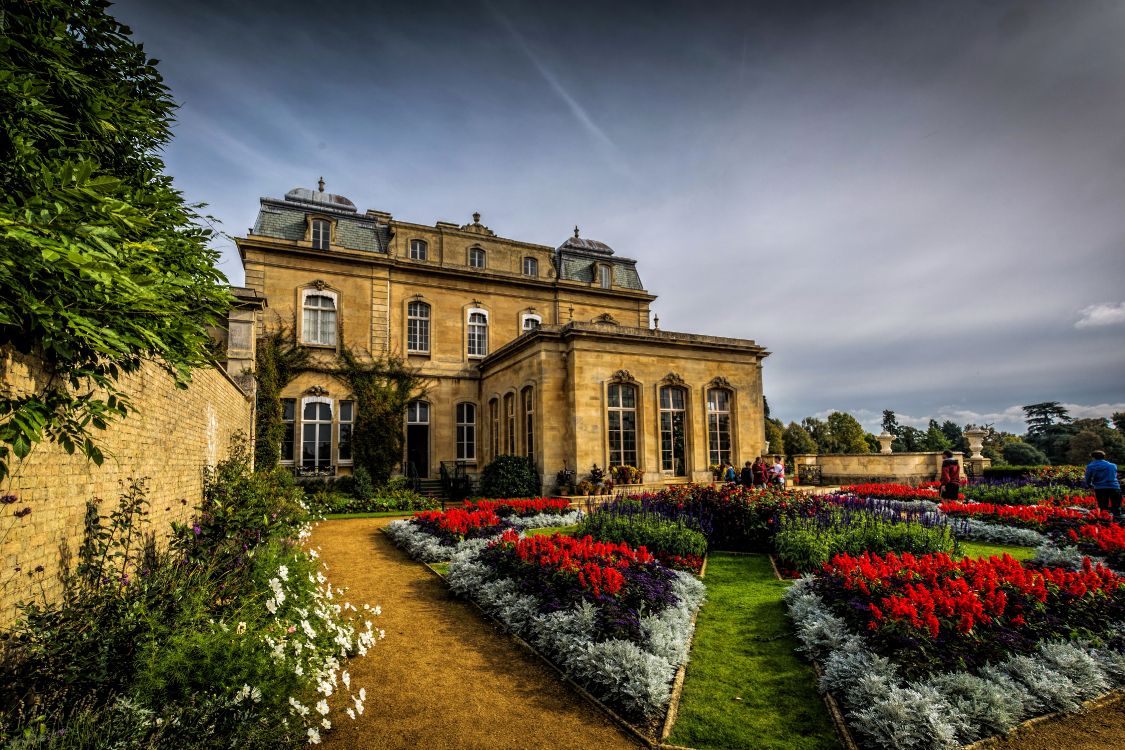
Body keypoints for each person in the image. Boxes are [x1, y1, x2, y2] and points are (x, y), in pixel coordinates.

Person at [1085, 450, 1122, 521]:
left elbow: (1087, 478)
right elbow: (1114, 476)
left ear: (1093, 457)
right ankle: (1118, 522)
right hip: (1114, 487)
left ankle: (1104, 523)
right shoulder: (1113, 466)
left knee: (1103, 507)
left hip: (1100, 488)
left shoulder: (1090, 466)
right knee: (1116, 507)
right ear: (1103, 457)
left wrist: (1089, 485)